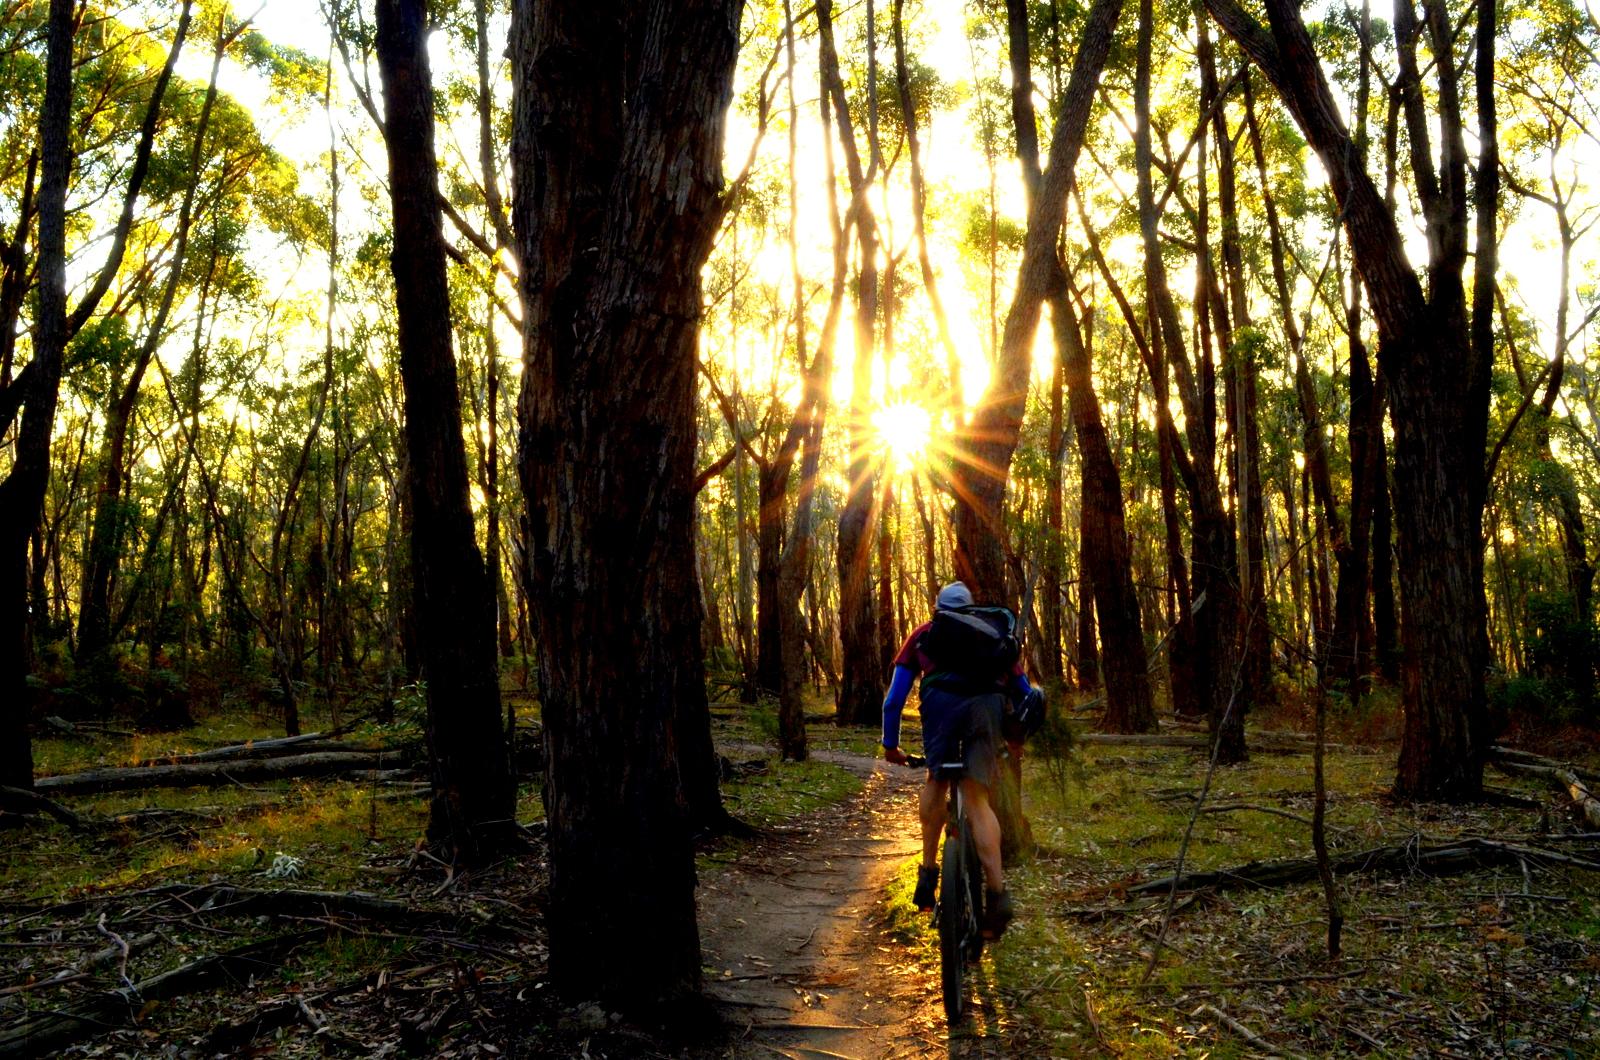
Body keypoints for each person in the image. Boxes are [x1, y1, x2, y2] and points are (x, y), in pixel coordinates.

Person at [881, 580, 1032, 939]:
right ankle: (997, 895)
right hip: (986, 710)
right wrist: (1016, 738)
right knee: (978, 800)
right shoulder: (992, 634)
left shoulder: (924, 635)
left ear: (938, 607)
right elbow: (1024, 692)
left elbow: (894, 700)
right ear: (971, 608)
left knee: (937, 779)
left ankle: (929, 873)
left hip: (941, 709)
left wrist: (891, 744)